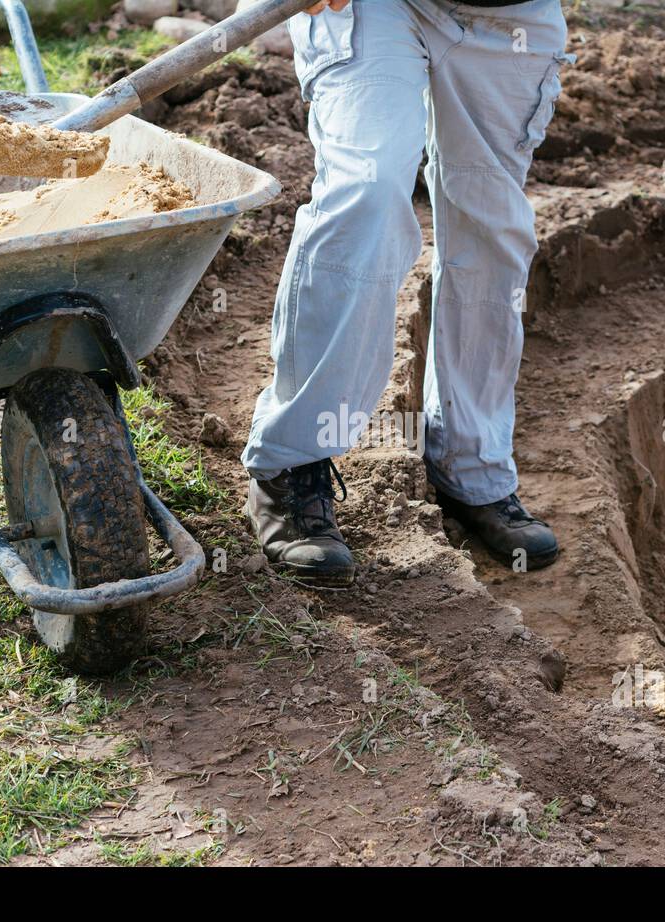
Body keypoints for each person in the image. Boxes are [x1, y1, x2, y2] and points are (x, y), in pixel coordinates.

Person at [243, 0, 570, 586]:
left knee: (493, 231)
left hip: (508, 18)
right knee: (365, 196)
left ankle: (471, 468)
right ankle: (292, 464)